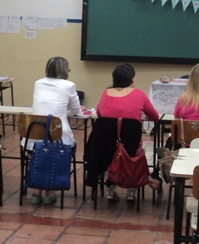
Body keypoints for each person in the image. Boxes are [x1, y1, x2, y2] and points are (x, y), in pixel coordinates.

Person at [96, 63, 160, 201]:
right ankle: (131, 192)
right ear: (132, 79)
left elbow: (99, 113)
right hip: (131, 145)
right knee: (136, 151)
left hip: (107, 145)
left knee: (110, 153)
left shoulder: (106, 93)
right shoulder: (139, 94)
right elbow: (155, 117)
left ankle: (110, 190)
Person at [30, 56, 86, 206]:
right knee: (53, 148)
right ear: (65, 71)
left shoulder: (38, 83)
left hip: (32, 139)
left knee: (43, 148)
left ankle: (37, 189)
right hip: (58, 138)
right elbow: (77, 112)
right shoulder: (68, 85)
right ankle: (49, 191)